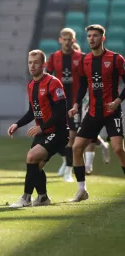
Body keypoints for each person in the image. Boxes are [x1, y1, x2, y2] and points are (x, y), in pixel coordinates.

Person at [68, 24, 125, 202]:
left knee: (118, 149)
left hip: (111, 112)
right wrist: (76, 104)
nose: (91, 39)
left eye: (95, 36)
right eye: (89, 36)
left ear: (103, 38)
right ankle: (82, 190)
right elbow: (83, 85)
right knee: (76, 148)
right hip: (93, 112)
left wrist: (117, 101)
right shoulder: (85, 61)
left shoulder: (116, 59)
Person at [8, 49, 69, 208]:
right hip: (43, 132)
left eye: (36, 62)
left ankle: (25, 198)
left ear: (44, 65)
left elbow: (60, 111)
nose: (32, 66)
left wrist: (42, 127)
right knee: (35, 165)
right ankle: (42, 197)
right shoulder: (31, 85)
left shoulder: (53, 83)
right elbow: (32, 112)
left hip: (58, 132)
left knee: (31, 157)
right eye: (30, 62)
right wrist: (17, 124)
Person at [46, 28, 83, 182]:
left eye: (70, 39)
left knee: (71, 138)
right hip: (58, 103)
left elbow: (86, 79)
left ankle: (68, 170)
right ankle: (65, 161)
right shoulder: (54, 57)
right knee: (56, 137)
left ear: (73, 41)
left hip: (74, 103)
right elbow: (46, 77)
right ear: (60, 40)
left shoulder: (81, 58)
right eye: (65, 39)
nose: (67, 42)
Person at [72, 42, 110, 174]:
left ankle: (88, 164)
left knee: (86, 132)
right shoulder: (69, 66)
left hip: (88, 102)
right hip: (75, 102)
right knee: (80, 132)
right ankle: (103, 145)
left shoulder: (87, 63)